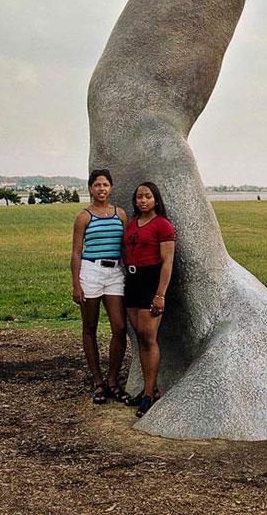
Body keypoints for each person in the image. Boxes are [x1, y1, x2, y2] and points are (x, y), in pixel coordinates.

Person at [70, 169, 128, 404]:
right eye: (97, 185)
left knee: (119, 327)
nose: (101, 189)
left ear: (111, 188)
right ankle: (98, 382)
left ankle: (113, 380)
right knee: (89, 327)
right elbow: (76, 252)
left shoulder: (120, 214)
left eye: (105, 184)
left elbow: (125, 247)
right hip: (90, 272)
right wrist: (76, 283)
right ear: (90, 189)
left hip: (114, 272)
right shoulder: (84, 216)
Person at [123, 181, 176, 416]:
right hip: (132, 283)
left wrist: (160, 295)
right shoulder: (132, 224)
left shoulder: (163, 225)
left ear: (156, 200)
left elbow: (168, 262)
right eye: (139, 197)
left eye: (147, 197)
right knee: (140, 337)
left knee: (148, 337)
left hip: (151, 282)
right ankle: (147, 389)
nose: (142, 201)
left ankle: (149, 393)